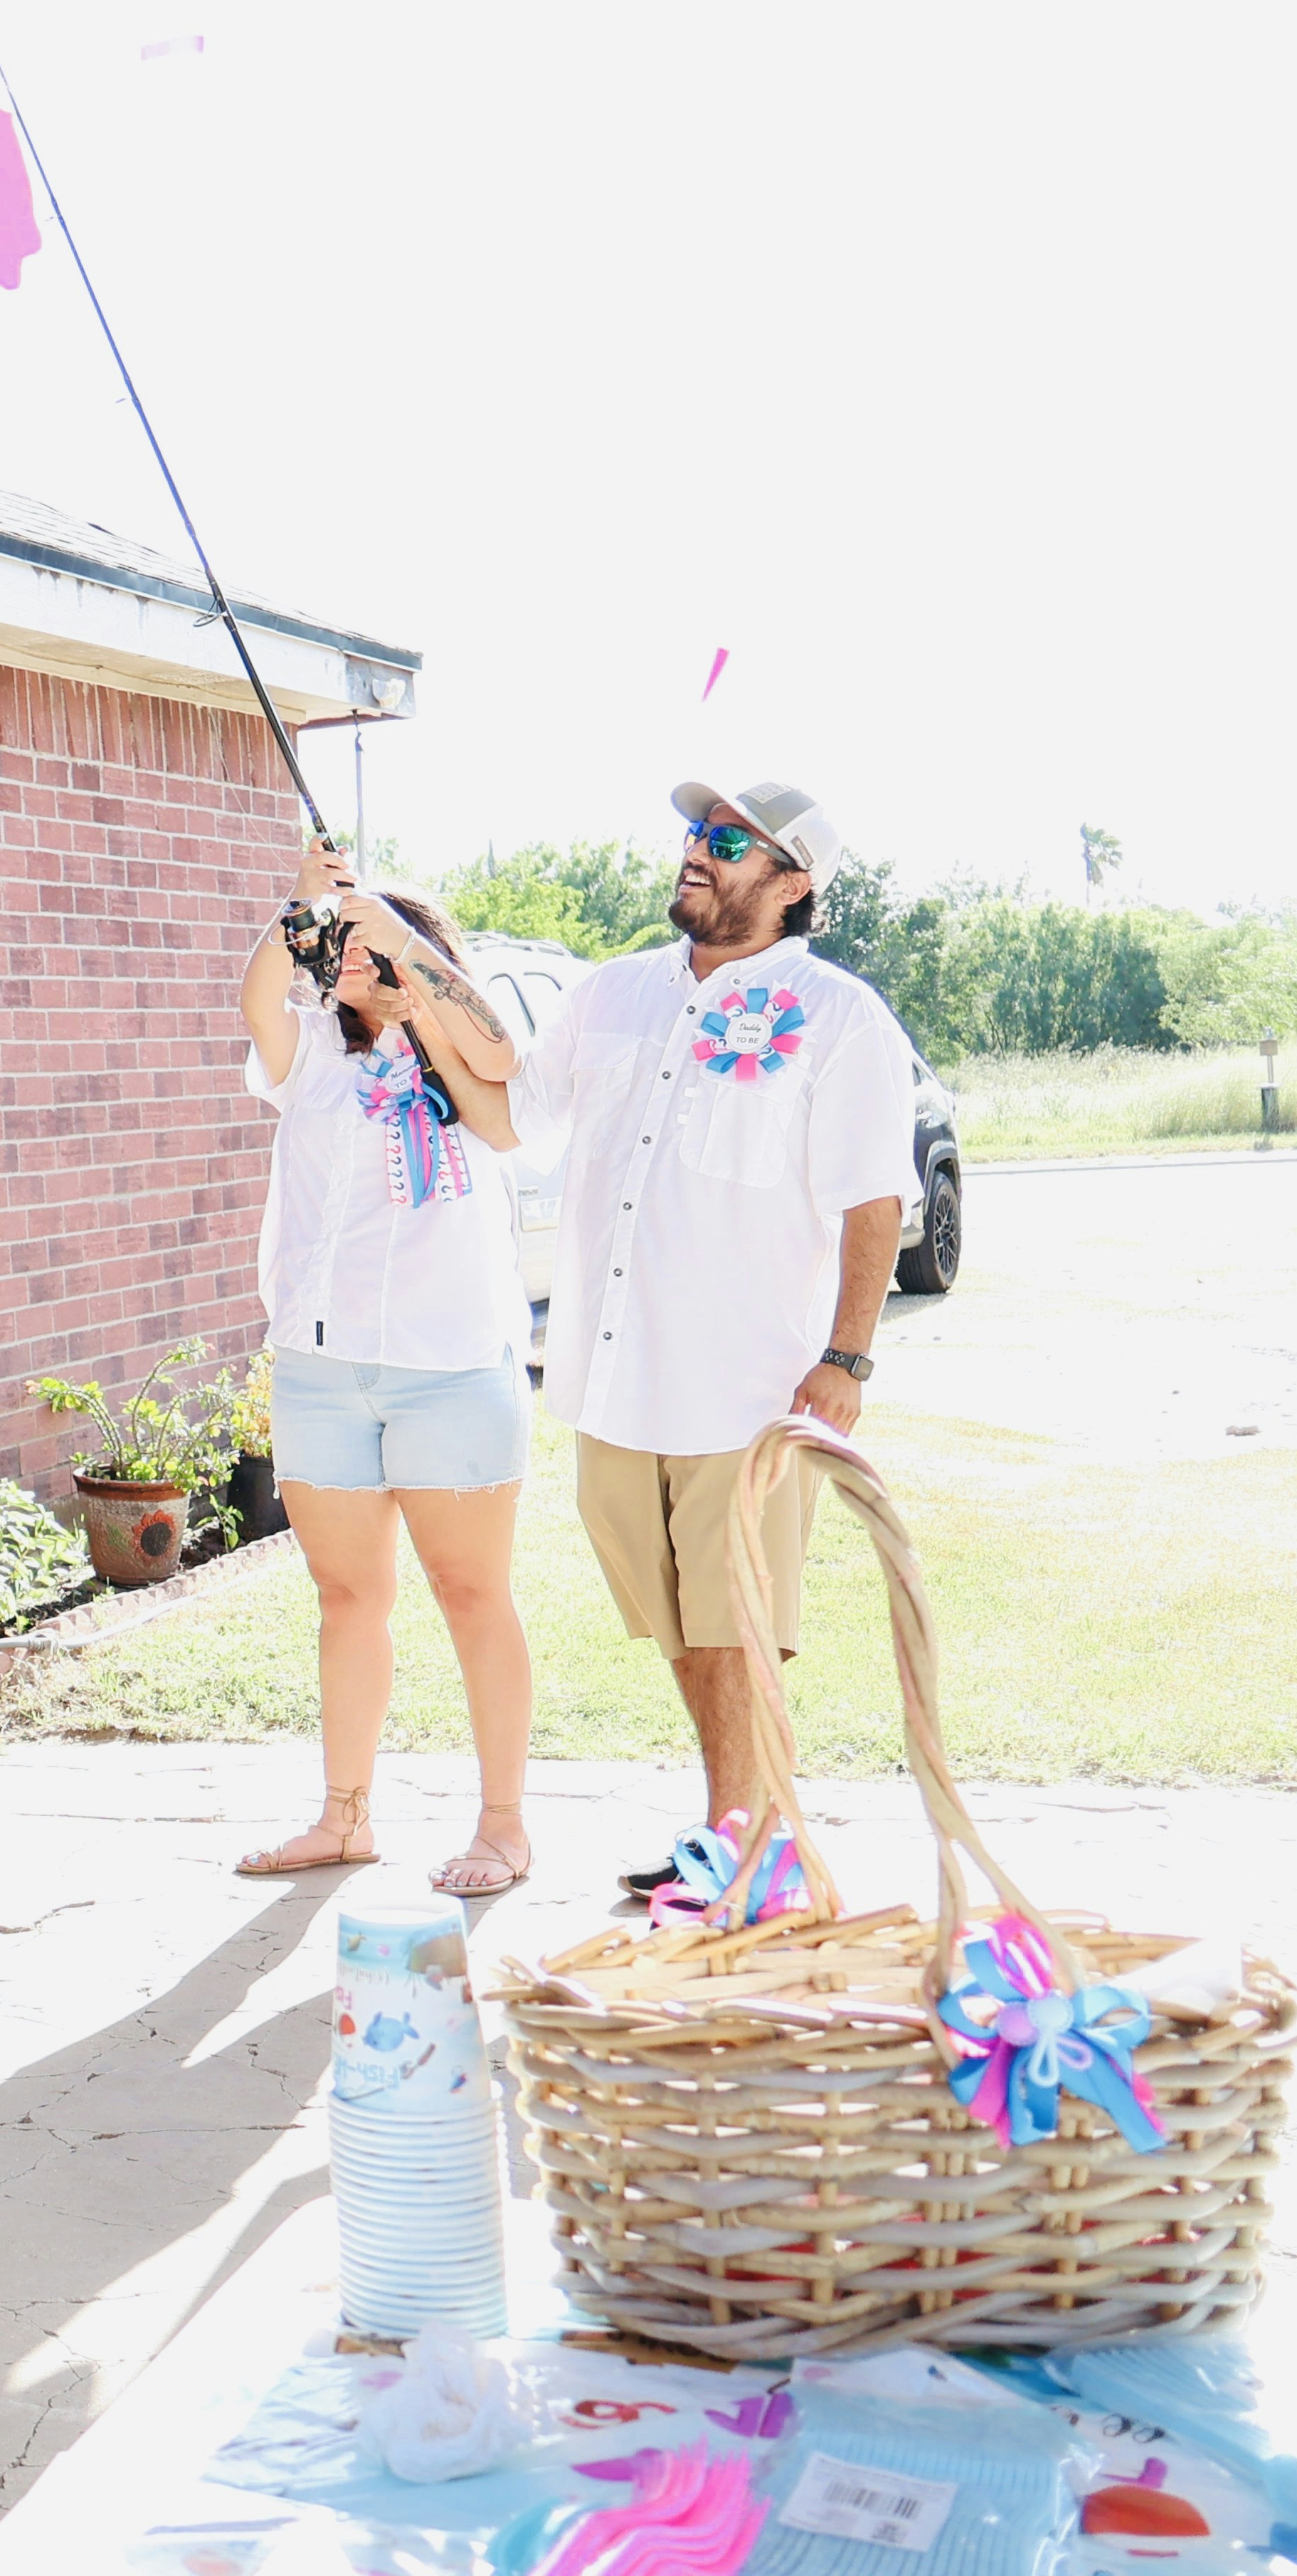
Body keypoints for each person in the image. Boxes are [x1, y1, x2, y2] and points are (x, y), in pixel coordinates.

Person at [512, 781, 917, 1888]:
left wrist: (846, 1358)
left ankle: (745, 1851)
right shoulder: (614, 994)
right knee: (683, 1620)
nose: (699, 850)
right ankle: (742, 1832)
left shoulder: (839, 1019)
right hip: (609, 1378)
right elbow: (514, 1112)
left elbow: (874, 1201)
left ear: (793, 885)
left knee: (738, 1620)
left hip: (744, 1386)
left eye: (730, 840)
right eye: (696, 832)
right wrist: (417, 991)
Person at [230, 844, 543, 1897]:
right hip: (320, 1371)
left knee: (470, 1593)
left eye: (361, 948)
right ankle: (345, 1817)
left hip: (449, 1367)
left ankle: (503, 1827)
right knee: (347, 1596)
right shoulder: (314, 1055)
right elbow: (258, 996)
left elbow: (495, 1071)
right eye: (342, 950)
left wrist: (412, 976)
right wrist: (304, 906)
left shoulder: (467, 1059)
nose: (341, 963)